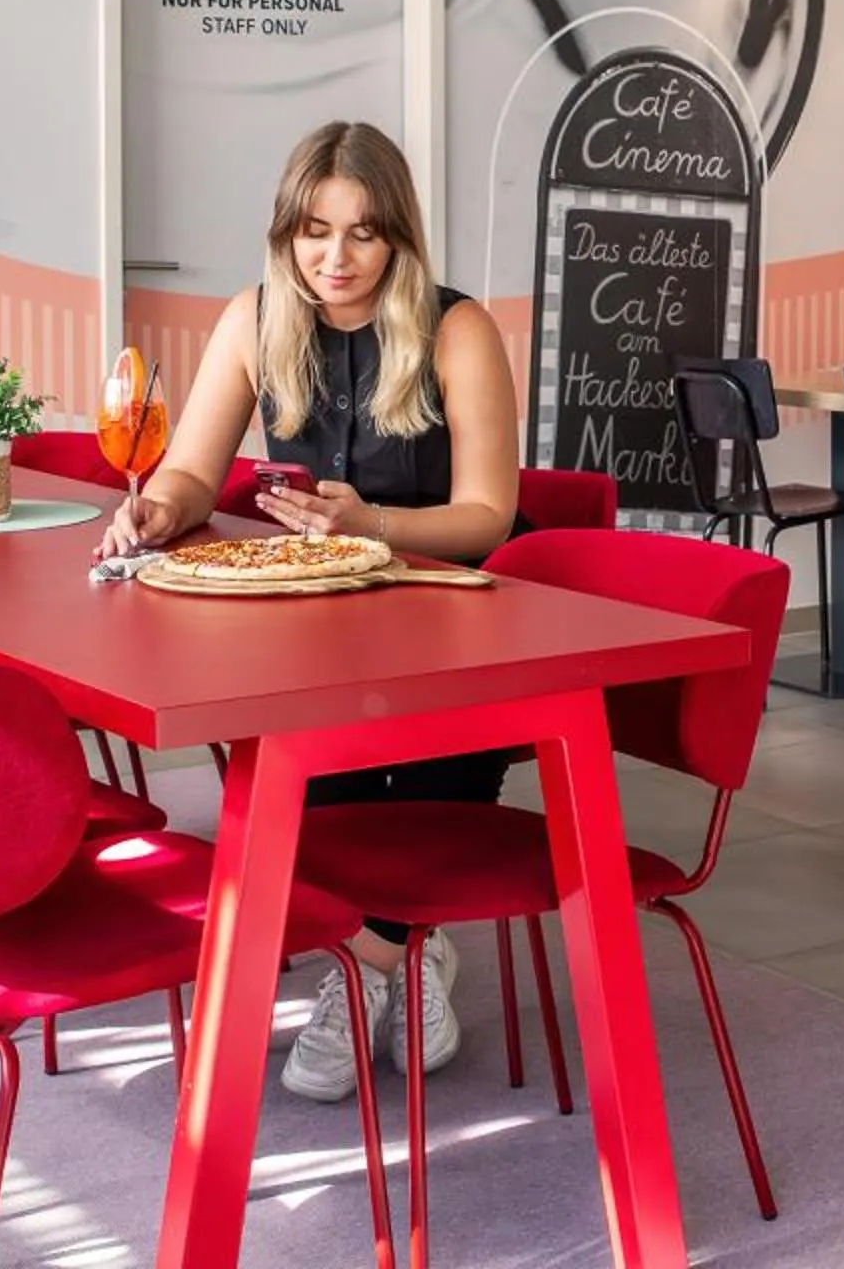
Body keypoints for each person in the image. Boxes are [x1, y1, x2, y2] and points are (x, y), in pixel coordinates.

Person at [97, 120, 519, 1102]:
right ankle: (400, 958)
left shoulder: (458, 329)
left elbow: (488, 514)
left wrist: (370, 519)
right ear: (286, 232)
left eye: (363, 232)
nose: (336, 257)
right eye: (314, 230)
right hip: (318, 621)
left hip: (456, 617)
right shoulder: (254, 318)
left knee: (414, 795)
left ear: (399, 238)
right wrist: (161, 502)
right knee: (303, 774)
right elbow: (197, 468)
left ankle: (364, 960)